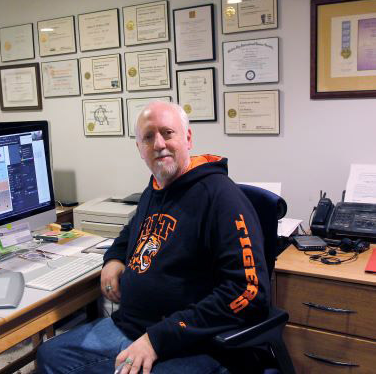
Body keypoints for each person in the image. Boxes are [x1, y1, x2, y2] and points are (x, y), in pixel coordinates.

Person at [36, 101, 270, 374]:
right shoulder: (157, 189)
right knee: (50, 355)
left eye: (167, 133)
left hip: (192, 341)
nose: (159, 144)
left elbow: (249, 291)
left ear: (188, 138)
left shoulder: (221, 197)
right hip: (131, 327)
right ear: (140, 148)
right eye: (148, 137)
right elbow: (130, 233)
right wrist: (113, 259)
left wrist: (158, 339)